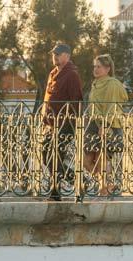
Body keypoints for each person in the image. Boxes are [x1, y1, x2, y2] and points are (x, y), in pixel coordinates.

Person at [42, 43, 84, 201]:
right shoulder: (53, 73)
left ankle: (55, 192)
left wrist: (73, 123)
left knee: (56, 156)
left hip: (65, 124)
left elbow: (77, 100)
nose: (55, 56)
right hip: (50, 124)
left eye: (58, 54)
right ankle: (78, 182)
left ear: (67, 55)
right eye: (54, 53)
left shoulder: (72, 74)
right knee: (46, 155)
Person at [83, 54, 129, 197]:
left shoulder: (112, 84)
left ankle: (104, 188)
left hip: (109, 125)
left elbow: (112, 106)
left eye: (99, 67)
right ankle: (106, 184)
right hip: (94, 123)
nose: (95, 69)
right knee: (86, 160)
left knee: (102, 158)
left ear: (108, 68)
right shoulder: (96, 84)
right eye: (95, 66)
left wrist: (105, 125)